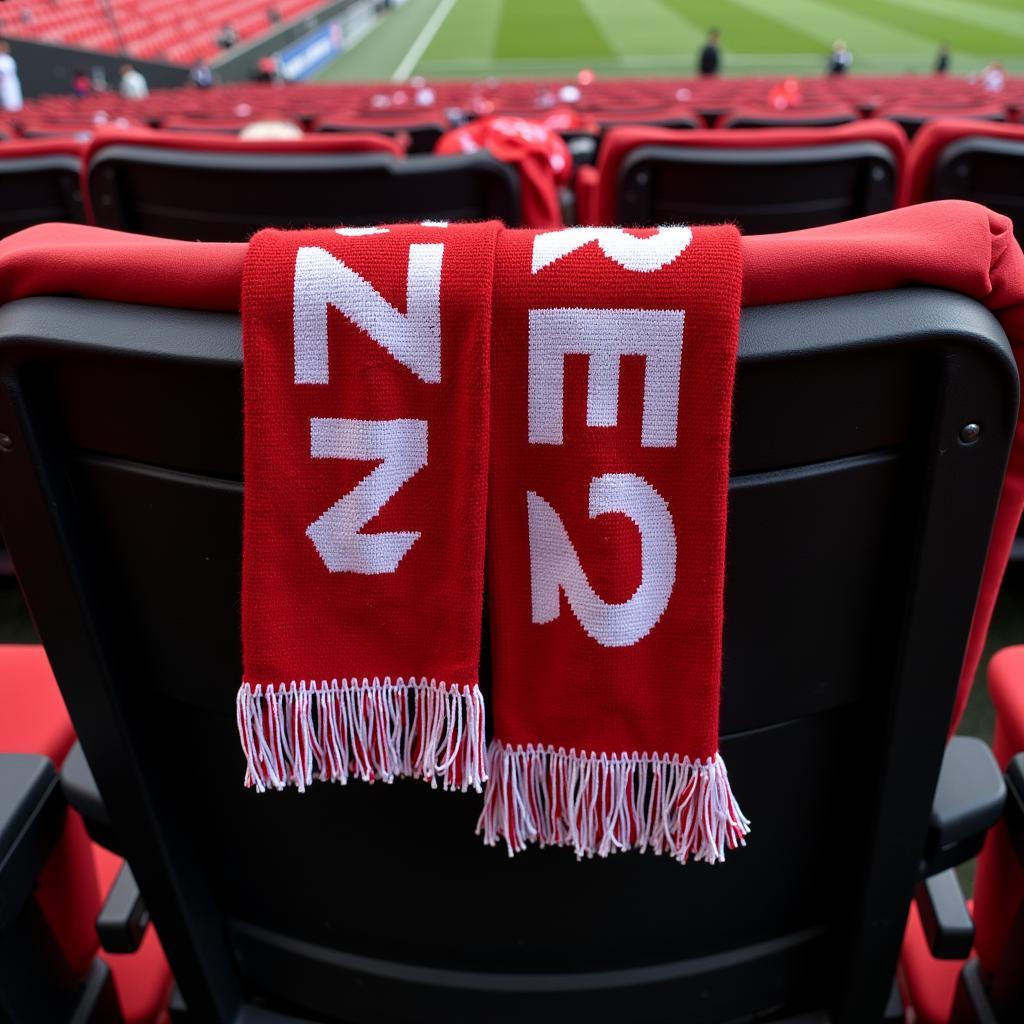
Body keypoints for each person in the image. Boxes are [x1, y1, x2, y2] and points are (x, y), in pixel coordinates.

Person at [0, 42, 22, 113]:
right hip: (3, 87)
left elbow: (3, 72)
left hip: (8, 86)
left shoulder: (8, 59)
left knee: (11, 107)